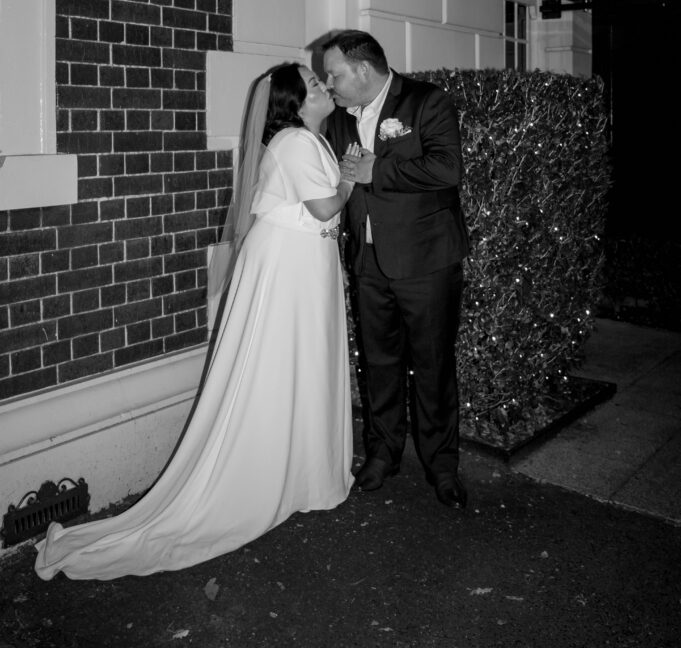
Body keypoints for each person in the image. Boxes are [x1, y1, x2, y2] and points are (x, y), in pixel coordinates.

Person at [35, 63, 360, 581]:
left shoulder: (311, 140)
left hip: (304, 267)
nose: (324, 85)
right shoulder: (297, 143)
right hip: (286, 268)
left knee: (299, 366)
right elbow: (324, 208)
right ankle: (276, 473)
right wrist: (348, 179)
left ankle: (301, 472)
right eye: (314, 84)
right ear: (295, 104)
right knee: (278, 368)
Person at [322, 31, 470, 509]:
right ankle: (382, 453)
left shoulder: (428, 102)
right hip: (368, 263)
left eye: (335, 74)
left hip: (426, 261)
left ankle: (442, 466)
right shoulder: (339, 119)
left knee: (432, 366)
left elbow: (448, 170)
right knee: (379, 364)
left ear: (364, 70)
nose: (330, 84)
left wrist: (376, 171)